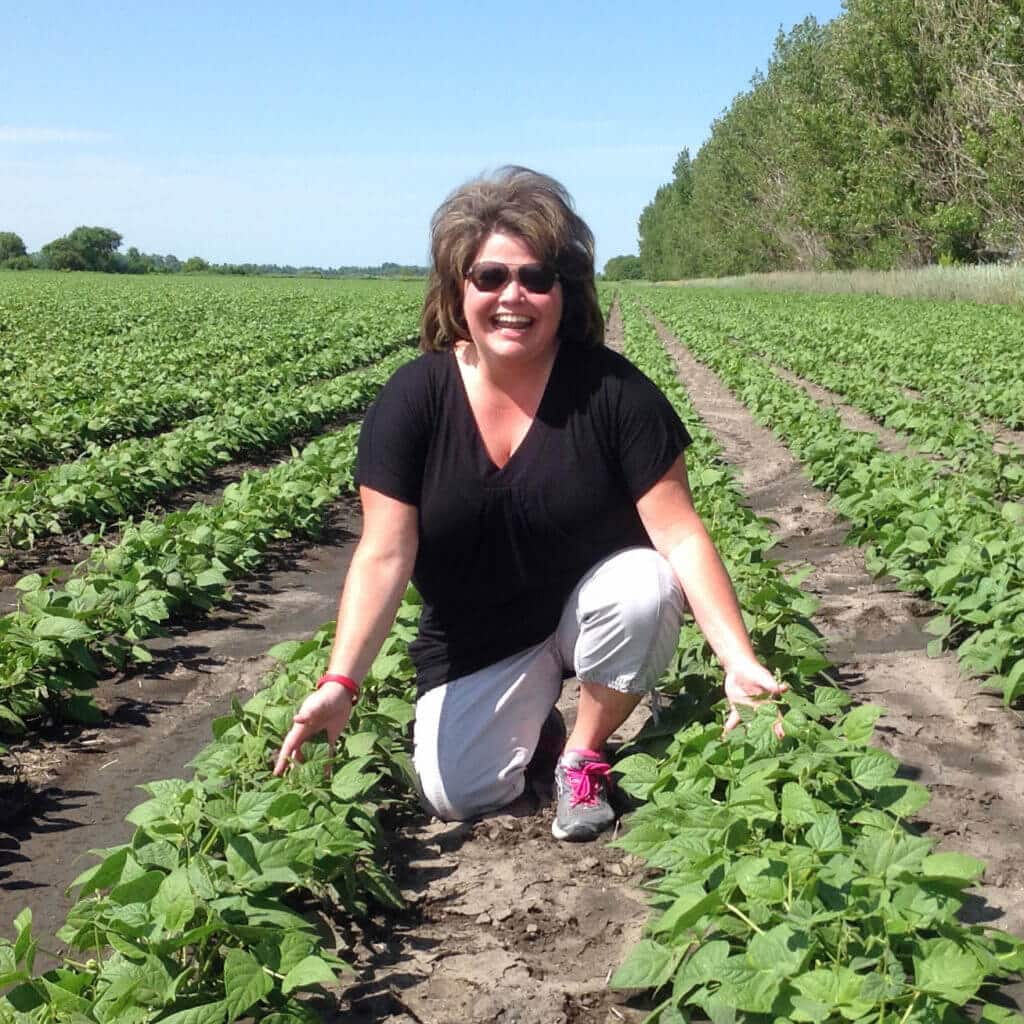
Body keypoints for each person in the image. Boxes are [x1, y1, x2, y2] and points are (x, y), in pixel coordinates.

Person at [273, 166, 785, 841]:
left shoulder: (612, 394)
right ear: (460, 290)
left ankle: (585, 752)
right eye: (490, 277)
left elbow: (681, 535)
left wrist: (738, 660)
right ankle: (536, 727)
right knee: (455, 793)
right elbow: (384, 552)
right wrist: (342, 680)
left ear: (563, 294)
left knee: (644, 584)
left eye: (536, 277)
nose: (513, 295)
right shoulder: (414, 400)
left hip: (592, 614)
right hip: (479, 638)